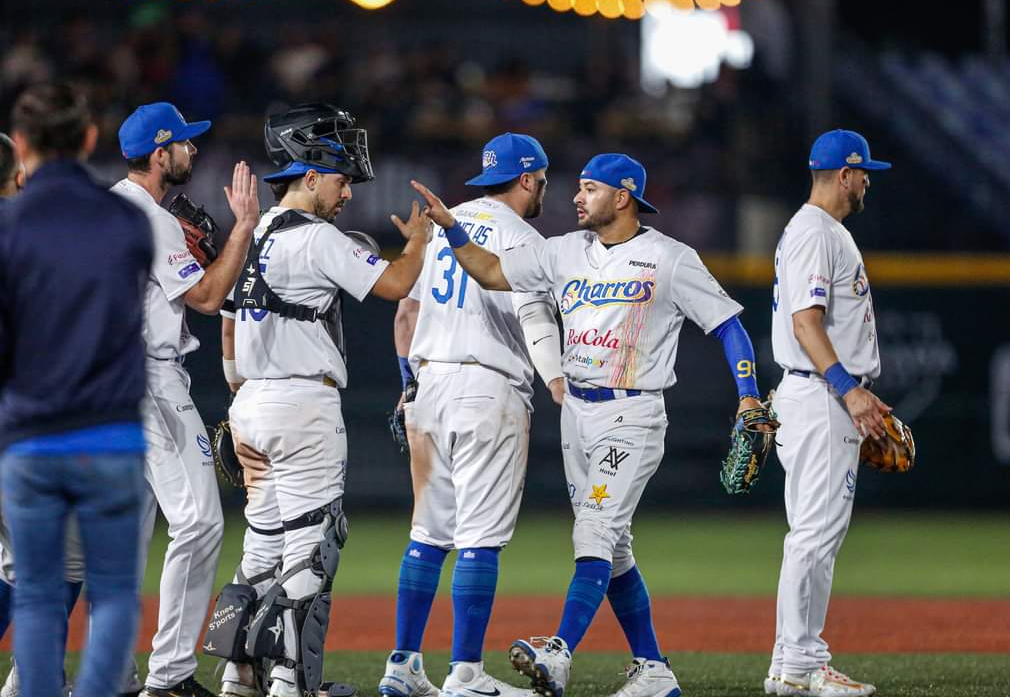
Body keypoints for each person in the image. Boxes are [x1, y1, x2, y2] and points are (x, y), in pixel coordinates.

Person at [411, 153, 769, 697]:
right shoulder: (562, 252)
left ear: (622, 197)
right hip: (576, 414)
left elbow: (729, 326)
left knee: (594, 532)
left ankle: (558, 654)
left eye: (588, 189)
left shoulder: (669, 258)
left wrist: (748, 396)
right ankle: (653, 670)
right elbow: (487, 270)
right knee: (615, 546)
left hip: (633, 413)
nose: (576, 198)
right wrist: (453, 228)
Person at [212, 102, 430, 697]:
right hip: (303, 406)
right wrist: (420, 241)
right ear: (308, 176)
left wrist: (241, 398)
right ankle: (291, 684)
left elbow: (229, 326)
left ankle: (237, 677)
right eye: (339, 179)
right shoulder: (316, 238)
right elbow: (395, 284)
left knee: (261, 551)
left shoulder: (249, 232)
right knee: (313, 551)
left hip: (250, 405)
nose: (347, 192)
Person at [377, 133, 564, 697]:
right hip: (488, 390)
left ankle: (403, 666)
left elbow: (405, 312)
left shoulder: (438, 225)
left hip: (428, 383)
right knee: (479, 537)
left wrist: (409, 381)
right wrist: (558, 377)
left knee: (428, 534)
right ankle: (465, 674)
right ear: (529, 179)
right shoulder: (524, 237)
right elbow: (535, 317)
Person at [0, 82, 152, 697]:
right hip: (111, 432)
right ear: (89, 140)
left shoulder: (9, 226)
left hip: (31, 436)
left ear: (23, 147)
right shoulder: (125, 219)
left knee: (37, 595)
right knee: (113, 592)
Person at [110, 102, 262, 697]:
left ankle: (112, 674)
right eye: (184, 143)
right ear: (158, 152)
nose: (192, 151)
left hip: (106, 383)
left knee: (125, 536)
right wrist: (243, 228)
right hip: (148, 378)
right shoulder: (151, 217)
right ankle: (170, 676)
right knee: (198, 522)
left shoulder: (109, 207)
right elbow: (206, 296)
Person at [764, 129, 891, 697]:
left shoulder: (814, 230)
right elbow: (805, 322)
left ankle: (786, 663)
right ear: (845, 174)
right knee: (815, 535)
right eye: (865, 173)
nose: (868, 182)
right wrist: (850, 389)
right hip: (821, 396)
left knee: (810, 534)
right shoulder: (817, 231)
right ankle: (803, 665)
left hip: (814, 395)